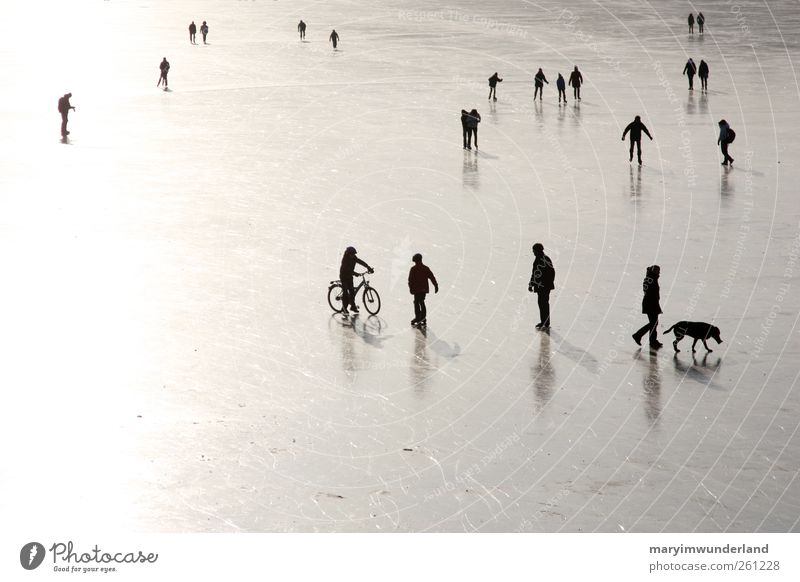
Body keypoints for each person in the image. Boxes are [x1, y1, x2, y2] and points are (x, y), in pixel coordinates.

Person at [632, 265, 663, 348]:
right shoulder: (652, 279)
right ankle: (638, 335)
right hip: (651, 303)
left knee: (654, 323)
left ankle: (652, 341)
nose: (659, 272)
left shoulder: (650, 278)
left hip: (650, 303)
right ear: (653, 271)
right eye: (657, 271)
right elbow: (651, 292)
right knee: (654, 323)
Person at [339, 247, 373, 315]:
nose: (353, 255)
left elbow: (360, 262)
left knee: (352, 292)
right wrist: (355, 273)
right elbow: (347, 270)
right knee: (345, 292)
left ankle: (353, 307)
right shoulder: (345, 260)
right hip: (344, 277)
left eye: (354, 254)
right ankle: (344, 308)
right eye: (352, 254)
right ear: (348, 254)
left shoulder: (354, 258)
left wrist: (368, 267)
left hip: (349, 277)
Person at [528, 243, 555, 329]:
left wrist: (547, 284)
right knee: (542, 303)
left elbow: (551, 273)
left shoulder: (543, 260)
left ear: (537, 251)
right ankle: (544, 321)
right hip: (541, 287)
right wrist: (531, 284)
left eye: (534, 251)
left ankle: (545, 322)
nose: (533, 252)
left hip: (544, 287)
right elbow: (535, 273)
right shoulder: (540, 259)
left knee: (544, 304)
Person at [408, 253, 439, 327]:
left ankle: (418, 318)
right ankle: (423, 318)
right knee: (421, 302)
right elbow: (432, 277)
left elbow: (410, 280)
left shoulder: (413, 269)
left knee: (416, 303)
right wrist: (435, 285)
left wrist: (411, 288)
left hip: (417, 289)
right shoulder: (425, 268)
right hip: (423, 289)